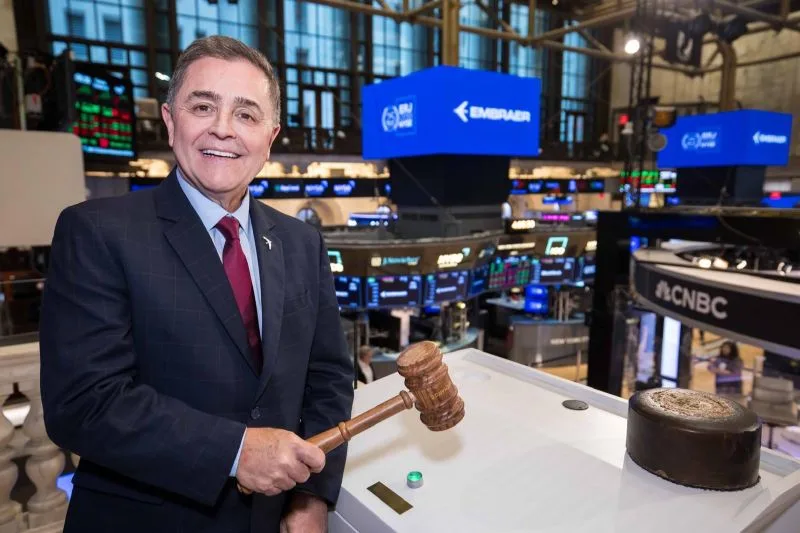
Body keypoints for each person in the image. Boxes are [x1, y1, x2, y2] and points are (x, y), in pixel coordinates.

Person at [39, 36, 353, 533]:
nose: (223, 129)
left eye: (246, 114)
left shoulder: (301, 242)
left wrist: (311, 496)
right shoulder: (97, 231)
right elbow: (84, 402)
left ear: (270, 137)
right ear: (170, 120)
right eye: (203, 106)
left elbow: (329, 377)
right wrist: (235, 451)